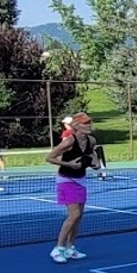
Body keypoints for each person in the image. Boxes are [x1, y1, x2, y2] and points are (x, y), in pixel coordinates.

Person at [45, 112, 102, 263]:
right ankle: (58, 248)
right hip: (66, 179)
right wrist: (69, 164)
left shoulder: (91, 140)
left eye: (89, 123)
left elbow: (92, 154)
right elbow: (49, 157)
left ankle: (71, 248)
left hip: (80, 179)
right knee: (74, 215)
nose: (89, 126)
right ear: (77, 126)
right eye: (85, 123)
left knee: (79, 216)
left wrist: (96, 164)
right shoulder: (69, 141)